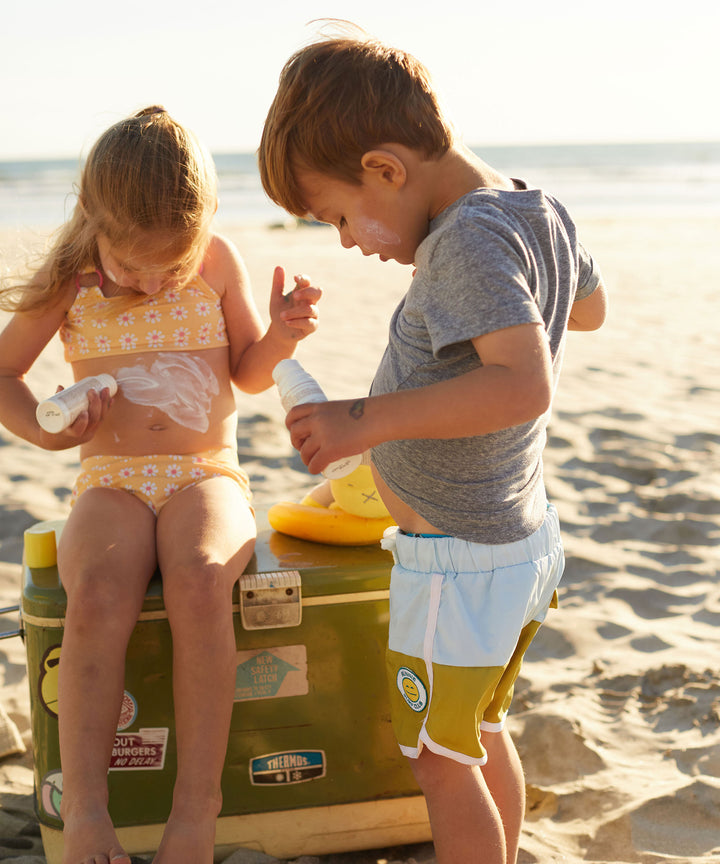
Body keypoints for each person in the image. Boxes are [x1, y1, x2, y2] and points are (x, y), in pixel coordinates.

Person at [258, 27, 607, 864]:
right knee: (477, 731)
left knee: (437, 759)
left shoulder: (462, 240)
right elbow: (587, 311)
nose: (348, 239)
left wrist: (367, 421)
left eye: (341, 215)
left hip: (456, 559)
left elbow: (524, 385)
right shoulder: (533, 208)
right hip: (512, 543)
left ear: (386, 167)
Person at [0, 106, 321, 864]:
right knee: (101, 594)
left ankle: (193, 810)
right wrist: (49, 432)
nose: (150, 284)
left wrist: (281, 335)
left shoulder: (214, 261)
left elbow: (246, 369)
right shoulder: (69, 279)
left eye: (168, 268)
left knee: (203, 579)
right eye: (133, 267)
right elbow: (5, 373)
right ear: (92, 222)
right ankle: (84, 811)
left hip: (205, 472)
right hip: (109, 478)